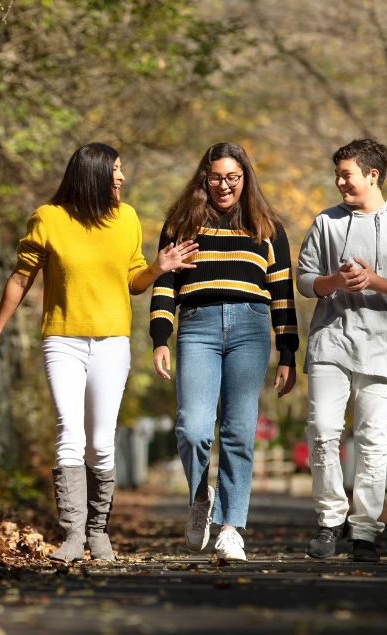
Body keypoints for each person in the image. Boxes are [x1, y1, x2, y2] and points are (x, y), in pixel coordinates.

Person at [0, 143, 198, 563]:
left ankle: (98, 531)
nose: (121, 177)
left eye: (122, 170)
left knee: (100, 442)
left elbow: (135, 281)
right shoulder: (49, 219)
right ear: (93, 174)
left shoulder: (126, 217)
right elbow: (20, 279)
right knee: (69, 433)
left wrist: (158, 267)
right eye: (115, 170)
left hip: (112, 342)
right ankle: (73, 535)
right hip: (63, 340)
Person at [149, 142, 299, 562]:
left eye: (233, 177)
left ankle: (232, 527)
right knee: (192, 428)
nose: (224, 185)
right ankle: (200, 499)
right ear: (204, 178)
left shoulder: (267, 228)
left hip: (251, 327)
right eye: (216, 177)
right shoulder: (181, 224)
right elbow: (165, 284)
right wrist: (160, 337)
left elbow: (283, 294)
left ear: (245, 179)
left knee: (238, 430)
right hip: (196, 325)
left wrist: (288, 353)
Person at [295, 138, 387, 563]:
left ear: (372, 175)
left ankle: (365, 531)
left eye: (346, 174)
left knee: (373, 439)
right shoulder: (326, 223)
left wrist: (376, 282)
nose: (339, 181)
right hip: (330, 342)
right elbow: (305, 281)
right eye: (337, 174)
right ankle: (328, 521)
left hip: (382, 348)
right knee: (322, 430)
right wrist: (335, 282)